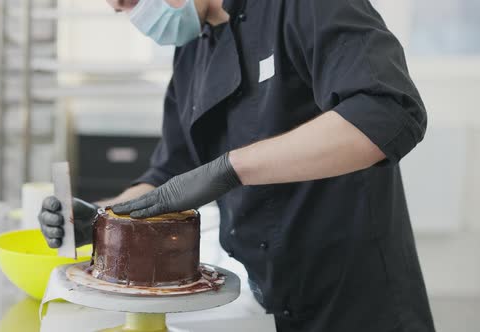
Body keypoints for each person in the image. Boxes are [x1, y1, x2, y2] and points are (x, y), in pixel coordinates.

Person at [39, 0, 436, 330]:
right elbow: (170, 173)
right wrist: (108, 220)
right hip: (267, 293)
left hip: (356, 295)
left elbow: (387, 111)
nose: (118, 8)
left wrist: (229, 168)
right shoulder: (193, 49)